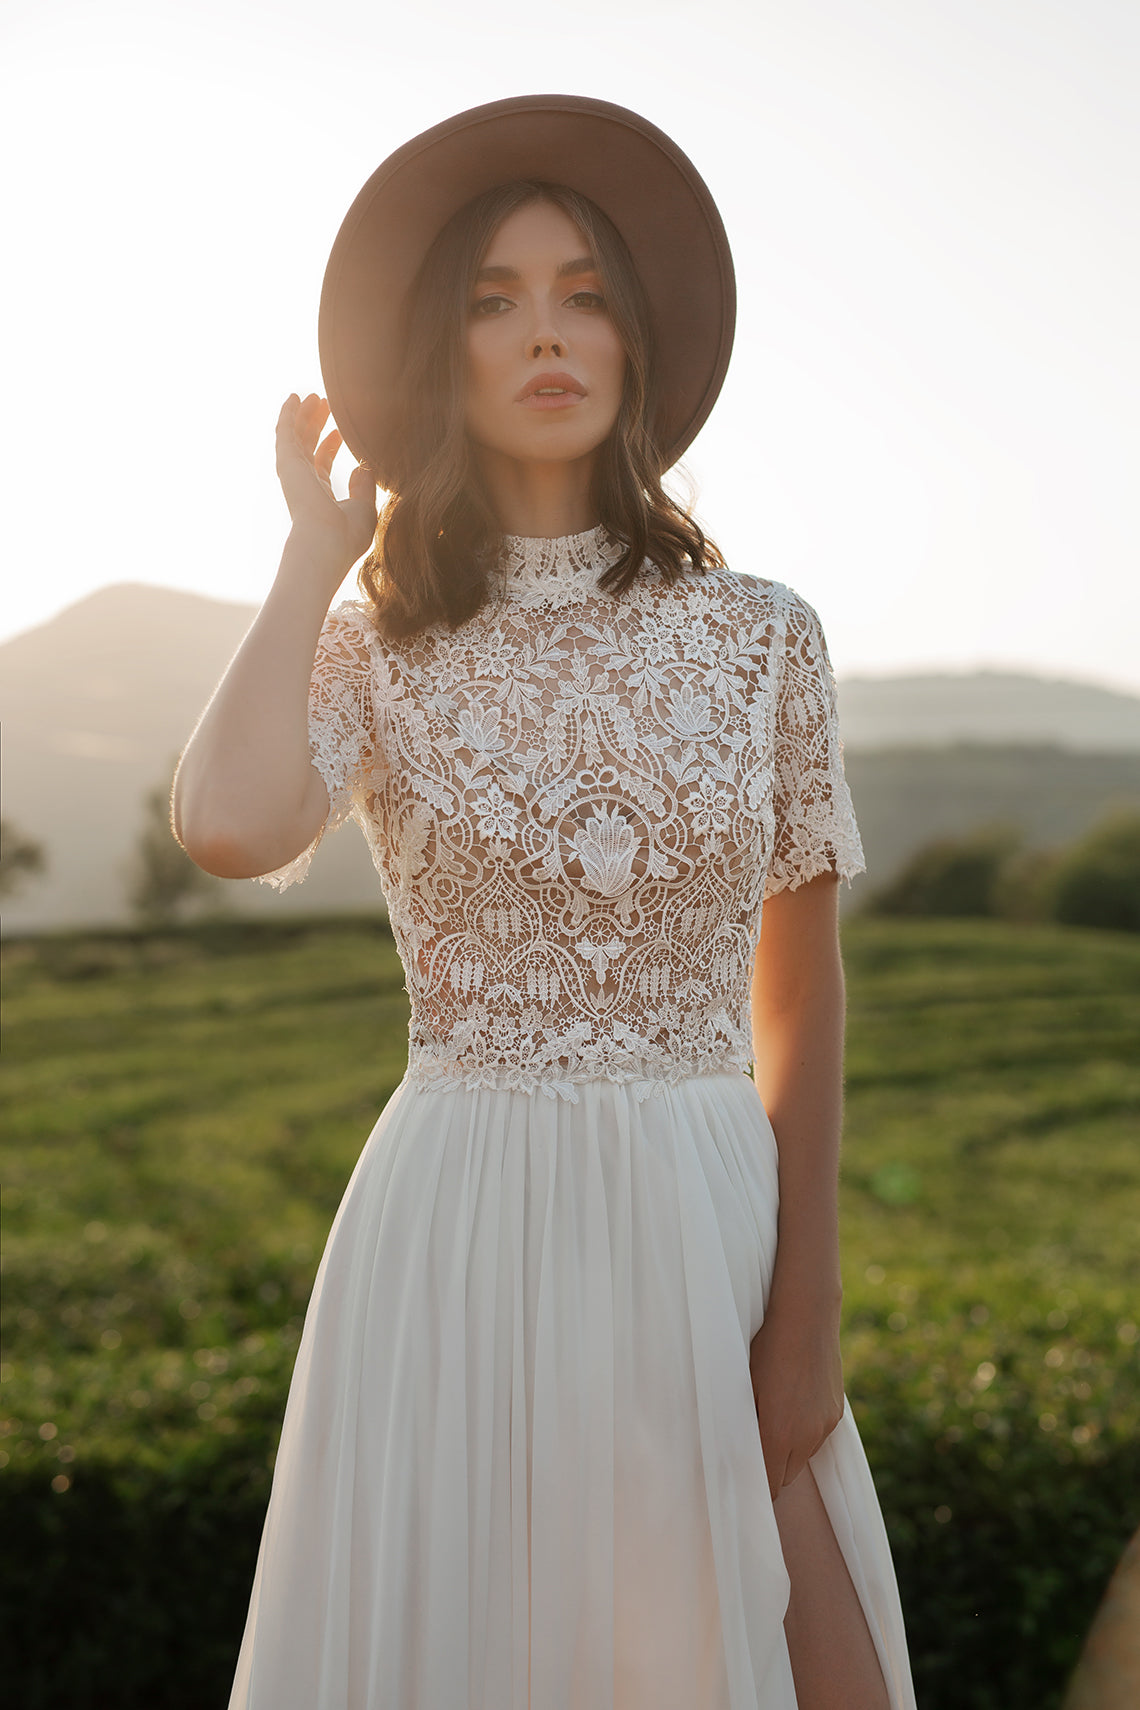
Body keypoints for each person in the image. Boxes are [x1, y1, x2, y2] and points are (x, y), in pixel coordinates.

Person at [174, 95, 917, 1710]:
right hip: (457, 1231)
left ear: (638, 341)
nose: (545, 333)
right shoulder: (377, 638)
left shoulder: (764, 639)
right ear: (442, 355)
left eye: (582, 292)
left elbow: (799, 992)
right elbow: (227, 823)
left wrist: (808, 1310)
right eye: (494, 301)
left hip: (703, 1214)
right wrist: (315, 552)